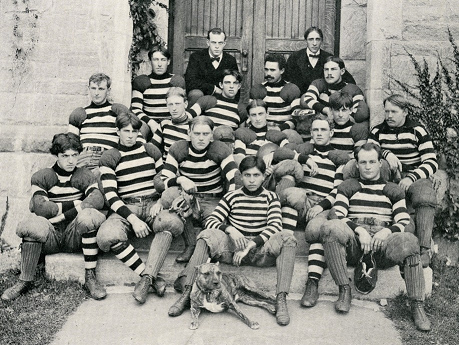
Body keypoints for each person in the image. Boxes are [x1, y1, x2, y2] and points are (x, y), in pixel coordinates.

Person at [167, 156, 297, 326]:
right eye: (247, 175)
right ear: (241, 177)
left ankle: (281, 300)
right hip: (234, 250)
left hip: (260, 250)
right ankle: (188, 292)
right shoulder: (231, 196)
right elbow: (211, 220)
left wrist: (251, 244)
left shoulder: (270, 197)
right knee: (207, 235)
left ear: (263, 177)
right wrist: (230, 229)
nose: (252, 180)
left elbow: (274, 226)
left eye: (256, 175)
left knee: (288, 237)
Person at [318, 142, 431, 331]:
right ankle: (344, 290)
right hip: (356, 243)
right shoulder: (348, 186)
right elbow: (338, 213)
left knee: (410, 241)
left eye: (372, 162)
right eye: (363, 162)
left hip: (383, 243)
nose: (368, 166)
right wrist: (359, 230)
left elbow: (403, 219)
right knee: (330, 228)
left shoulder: (393, 189)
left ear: (380, 163)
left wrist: (387, 231)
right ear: (357, 164)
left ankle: (417, 305)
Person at [1, 133, 106, 301]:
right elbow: (41, 208)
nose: (71, 161)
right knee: (33, 224)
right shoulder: (44, 176)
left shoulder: (85, 175)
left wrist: (62, 214)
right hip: (51, 236)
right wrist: (77, 203)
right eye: (65, 156)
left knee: (89, 217)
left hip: (75, 235)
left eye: (74, 155)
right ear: (57, 155)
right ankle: (25, 280)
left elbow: (97, 200)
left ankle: (90, 278)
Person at [96, 111, 174, 304]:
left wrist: (160, 202)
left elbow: (165, 180)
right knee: (107, 235)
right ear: (118, 131)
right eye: (126, 131)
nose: (130, 135)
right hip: (127, 205)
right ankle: (149, 277)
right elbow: (111, 195)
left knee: (171, 222)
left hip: (153, 203)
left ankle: (147, 280)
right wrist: (133, 219)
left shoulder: (150, 150)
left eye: (134, 131)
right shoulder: (110, 156)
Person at [273, 114, 348, 308]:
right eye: (315, 130)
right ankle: (285, 248)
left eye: (323, 130)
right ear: (310, 132)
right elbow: (277, 151)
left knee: (317, 230)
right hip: (303, 201)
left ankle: (312, 282)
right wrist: (304, 159)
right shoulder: (304, 152)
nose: (319, 133)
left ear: (331, 132)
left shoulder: (337, 158)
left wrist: (321, 206)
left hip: (321, 206)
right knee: (292, 199)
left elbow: (338, 190)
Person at [368, 94, 438, 267]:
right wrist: (386, 153)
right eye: (386, 112)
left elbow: (431, 161)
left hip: (414, 175)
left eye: (394, 111)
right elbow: (368, 151)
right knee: (380, 165)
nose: (389, 116)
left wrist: (411, 177)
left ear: (405, 112)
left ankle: (423, 249)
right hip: (388, 177)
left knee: (425, 197)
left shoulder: (417, 130)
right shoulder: (378, 131)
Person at [158, 116, 239, 263]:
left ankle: (206, 252)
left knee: (212, 222)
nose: (201, 138)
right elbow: (163, 181)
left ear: (212, 134)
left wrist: (229, 202)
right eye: (197, 134)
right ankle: (190, 244)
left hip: (212, 198)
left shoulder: (220, 149)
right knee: (177, 200)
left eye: (206, 134)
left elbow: (234, 177)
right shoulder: (178, 149)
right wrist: (180, 179)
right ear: (189, 133)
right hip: (189, 197)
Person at [68, 73, 147, 172]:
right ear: (88, 89)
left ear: (108, 91)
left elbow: (135, 133)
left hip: (107, 156)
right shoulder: (80, 113)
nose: (96, 93)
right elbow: (70, 145)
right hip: (84, 157)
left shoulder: (116, 110)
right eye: (93, 88)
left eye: (101, 89)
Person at [131, 46, 186, 142]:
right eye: (155, 60)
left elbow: (181, 107)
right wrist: (151, 123)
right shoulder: (142, 81)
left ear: (168, 62)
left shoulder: (176, 80)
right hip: (148, 123)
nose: (159, 64)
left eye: (163, 60)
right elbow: (136, 109)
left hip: (171, 122)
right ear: (150, 61)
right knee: (139, 129)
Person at [285, 26, 356, 94]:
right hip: (300, 99)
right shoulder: (295, 57)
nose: (314, 43)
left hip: (323, 99)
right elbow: (286, 79)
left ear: (321, 40)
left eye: (317, 39)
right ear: (305, 40)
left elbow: (349, 80)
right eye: (311, 39)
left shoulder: (329, 57)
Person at [301, 56, 369, 125]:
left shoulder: (353, 89)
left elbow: (357, 114)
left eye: (333, 69)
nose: (329, 73)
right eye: (326, 69)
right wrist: (326, 109)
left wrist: (327, 103)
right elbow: (307, 99)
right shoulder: (318, 84)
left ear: (342, 71)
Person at [185, 28, 239, 106]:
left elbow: (236, 83)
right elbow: (190, 82)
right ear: (208, 42)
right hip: (202, 97)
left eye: (220, 43)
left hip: (223, 97)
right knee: (195, 94)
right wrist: (213, 89)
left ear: (224, 43)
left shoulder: (230, 60)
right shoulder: (196, 57)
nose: (217, 46)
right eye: (214, 42)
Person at [250, 54, 301, 130]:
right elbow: (251, 116)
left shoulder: (291, 89)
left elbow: (297, 118)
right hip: (263, 130)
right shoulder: (258, 89)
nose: (268, 73)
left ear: (282, 70)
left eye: (272, 70)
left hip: (284, 131)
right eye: (266, 69)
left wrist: (279, 128)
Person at [150, 87, 191, 158]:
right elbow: (152, 148)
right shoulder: (164, 124)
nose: (174, 108)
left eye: (177, 104)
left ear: (185, 104)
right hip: (166, 165)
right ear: (167, 105)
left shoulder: (192, 126)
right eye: (170, 104)